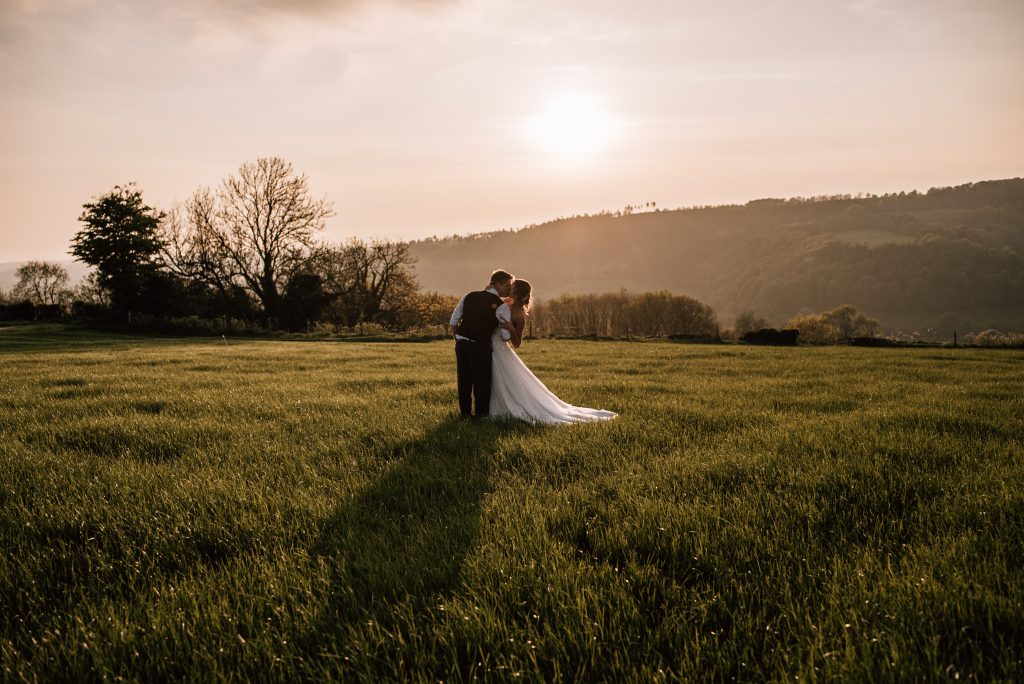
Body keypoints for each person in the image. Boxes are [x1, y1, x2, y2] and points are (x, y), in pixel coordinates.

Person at [489, 279, 618, 424]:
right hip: (492, 348)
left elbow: (517, 343)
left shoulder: (519, 315)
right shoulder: (506, 304)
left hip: (500, 351)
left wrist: (511, 328)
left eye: (511, 287)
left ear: (517, 293)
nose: (508, 288)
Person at [450, 269, 515, 418]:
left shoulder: (469, 296)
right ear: (497, 283)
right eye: (506, 285)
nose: (508, 289)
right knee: (482, 383)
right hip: (480, 346)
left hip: (461, 344)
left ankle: (465, 415)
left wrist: (458, 340)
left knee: (464, 381)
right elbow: (505, 337)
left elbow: (453, 321)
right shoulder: (502, 306)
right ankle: (481, 416)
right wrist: (510, 329)